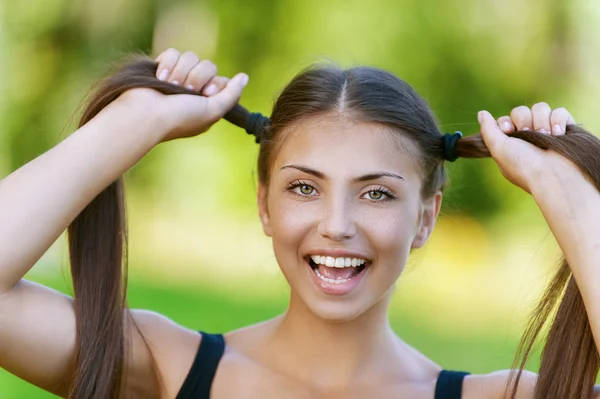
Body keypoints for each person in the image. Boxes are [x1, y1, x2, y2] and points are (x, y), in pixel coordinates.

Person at [0, 47, 599, 399]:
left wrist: (564, 191)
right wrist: (129, 124)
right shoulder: (170, 367)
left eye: (376, 194)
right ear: (265, 203)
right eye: (305, 188)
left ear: (426, 218)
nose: (336, 225)